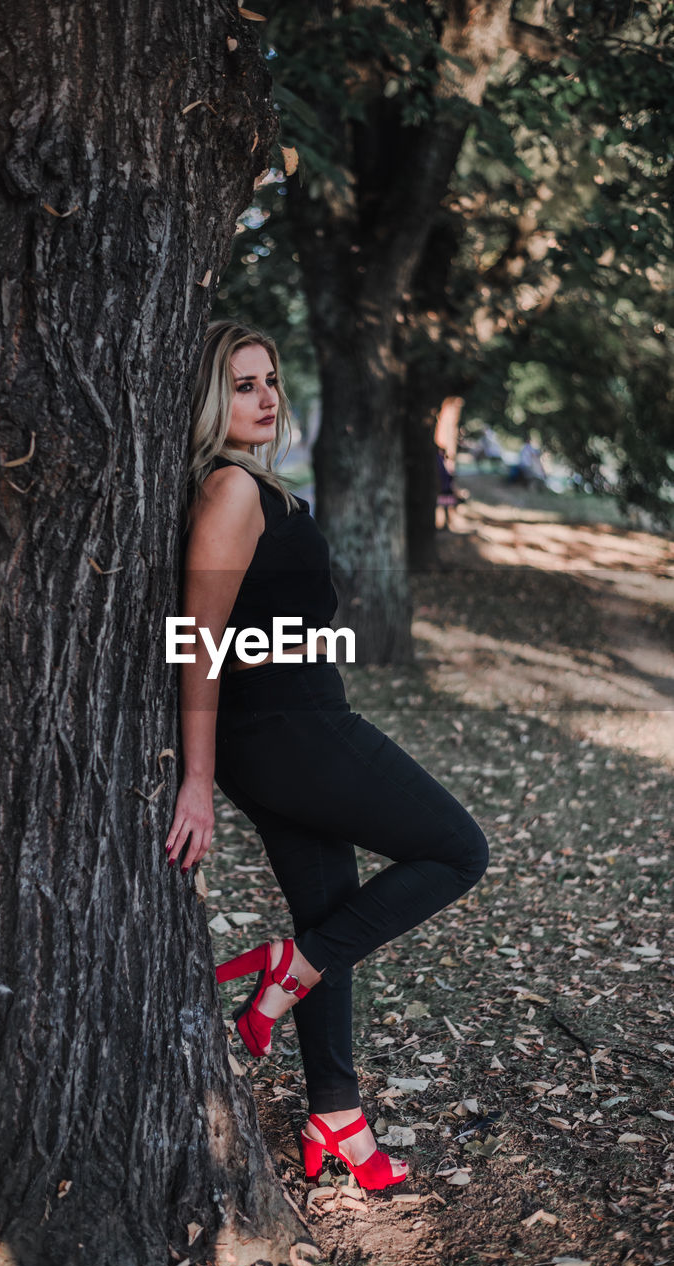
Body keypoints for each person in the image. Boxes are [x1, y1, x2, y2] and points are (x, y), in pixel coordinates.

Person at [165, 320, 489, 1191]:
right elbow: (195, 644)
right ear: (209, 399)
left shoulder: (261, 490)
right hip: (289, 731)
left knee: (332, 914)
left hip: (287, 726)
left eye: (270, 380)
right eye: (244, 385)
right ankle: (285, 972)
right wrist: (196, 782)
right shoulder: (231, 491)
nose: (266, 397)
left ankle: (336, 1119)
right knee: (459, 849)